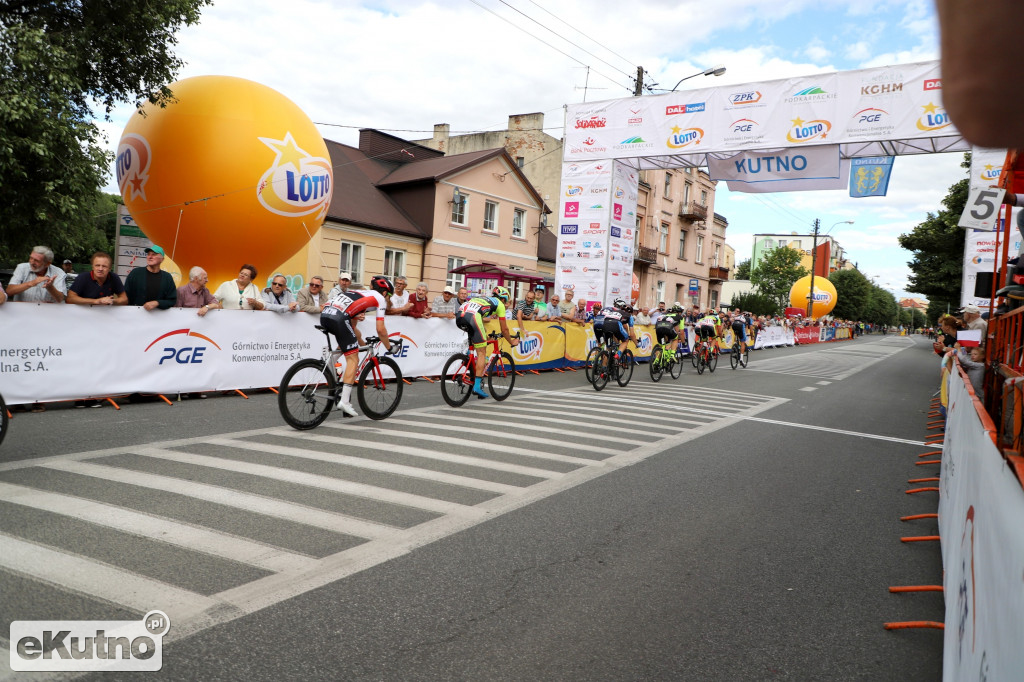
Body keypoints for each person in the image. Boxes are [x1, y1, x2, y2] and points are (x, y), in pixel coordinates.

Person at [319, 275, 395, 417]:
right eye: (389, 295)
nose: (388, 298)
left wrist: (363, 344)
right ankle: (345, 402)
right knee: (353, 359)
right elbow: (381, 330)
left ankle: (330, 370)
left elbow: (352, 328)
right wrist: (389, 347)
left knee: (349, 343)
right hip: (339, 318)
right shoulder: (379, 299)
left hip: (325, 315)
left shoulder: (360, 294)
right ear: (385, 292)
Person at [455, 285, 522, 399]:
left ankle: (469, 358)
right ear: (503, 299)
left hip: (460, 315)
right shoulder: (499, 305)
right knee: (482, 353)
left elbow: (479, 322)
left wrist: (485, 336)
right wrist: (511, 342)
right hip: (472, 317)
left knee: (479, 339)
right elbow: (504, 329)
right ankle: (477, 386)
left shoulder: (485, 299)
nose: (506, 305)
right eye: (506, 302)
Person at [124, 245, 176, 310]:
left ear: (162, 259)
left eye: (154, 254)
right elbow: (125, 296)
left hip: (158, 318)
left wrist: (157, 303)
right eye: (148, 254)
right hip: (136, 316)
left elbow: (172, 300)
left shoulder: (167, 278)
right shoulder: (135, 273)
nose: (150, 257)